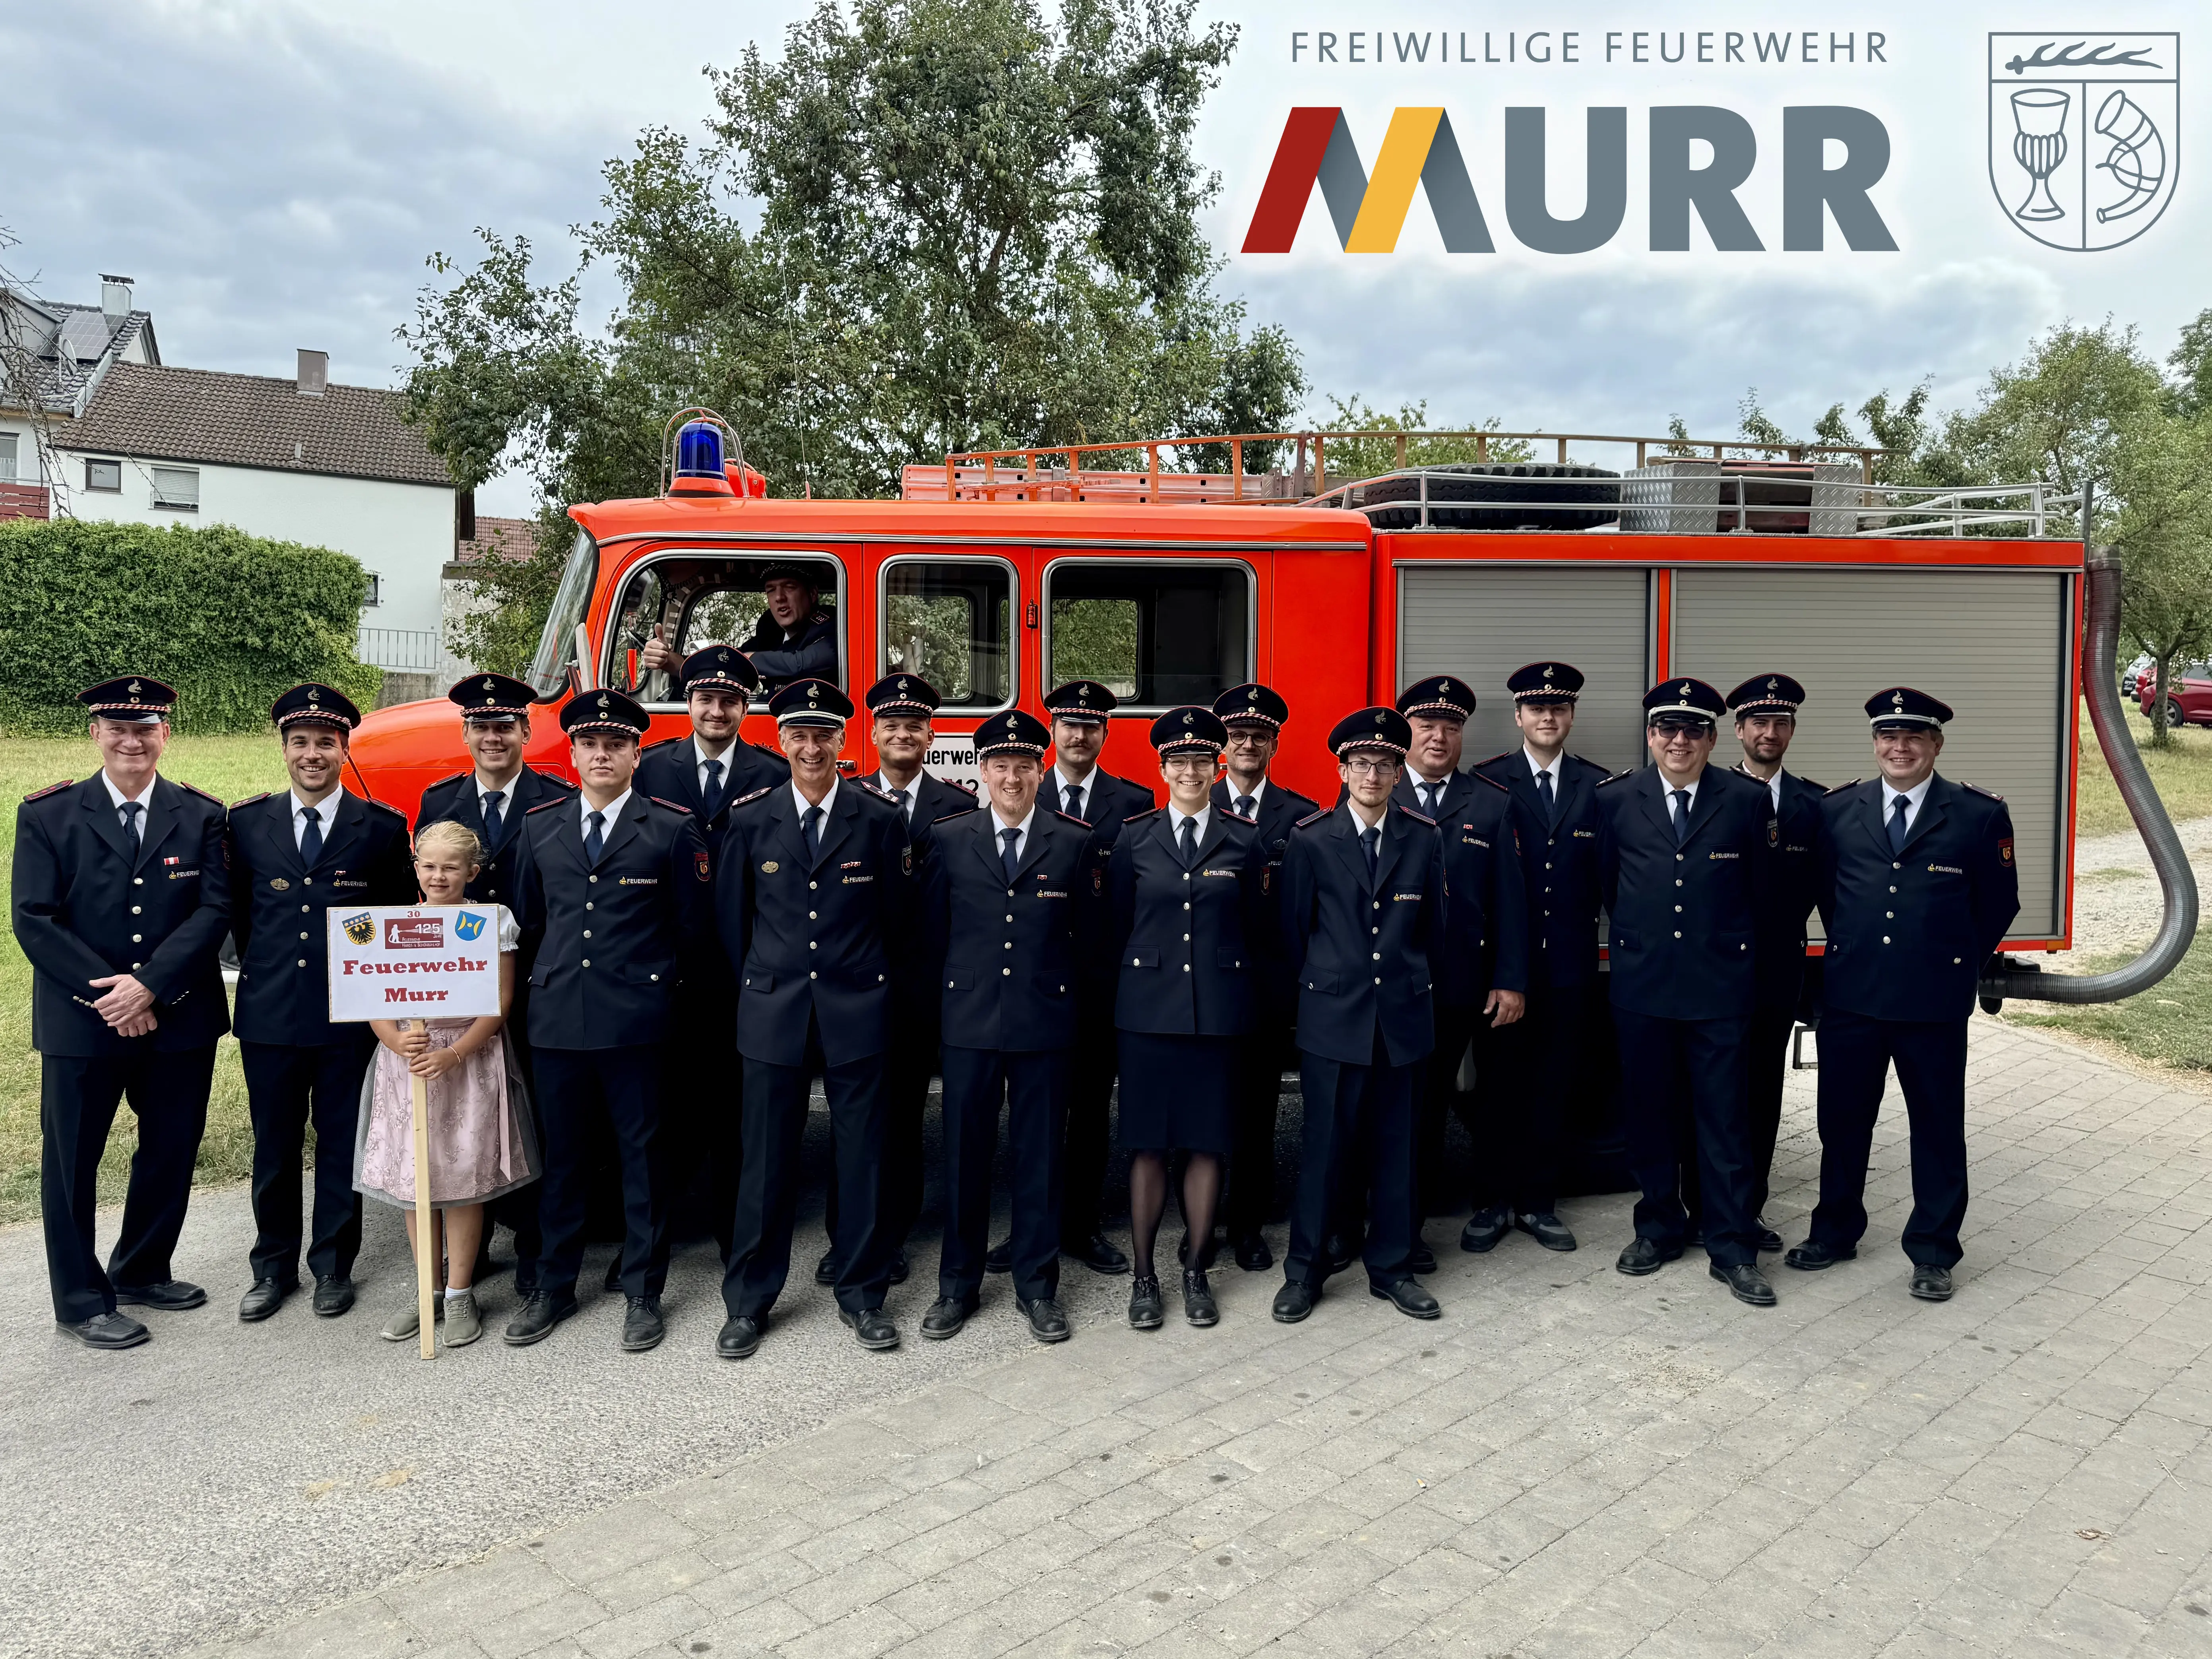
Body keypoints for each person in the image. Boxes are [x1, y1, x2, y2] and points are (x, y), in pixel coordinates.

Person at [14, 677, 231, 1350]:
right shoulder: (48, 814)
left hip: (180, 1013)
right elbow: (34, 918)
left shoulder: (202, 814)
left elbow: (215, 910)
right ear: (96, 734)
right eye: (118, 728)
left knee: (170, 1149)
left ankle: (140, 1267)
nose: (132, 740)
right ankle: (80, 1298)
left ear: (166, 734)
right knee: (72, 1161)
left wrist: (152, 987)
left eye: (146, 728)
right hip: (83, 1021)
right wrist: (112, 994)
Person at [1787, 688, 2018, 1302]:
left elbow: (1997, 904)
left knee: (1938, 1129)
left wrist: (1947, 960)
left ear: (1935, 745)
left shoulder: (1976, 814)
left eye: (1914, 737)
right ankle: (1834, 1231)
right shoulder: (1838, 810)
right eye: (1889, 737)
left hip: (1931, 1004)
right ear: (1875, 743)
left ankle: (1935, 1251)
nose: (1900, 748)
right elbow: (1827, 894)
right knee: (1842, 1124)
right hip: (1852, 998)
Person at [504, 688, 713, 1352]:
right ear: (570, 753)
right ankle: (554, 1284)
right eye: (590, 743)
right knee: (562, 1159)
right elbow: (528, 919)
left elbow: (692, 931)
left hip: (638, 1022)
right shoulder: (540, 825)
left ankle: (643, 1289)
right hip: (559, 1016)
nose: (602, 753)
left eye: (616, 743)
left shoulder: (671, 827)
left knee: (642, 1158)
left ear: (635, 753)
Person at [715, 678, 918, 1359]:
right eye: (799, 735)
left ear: (841, 741)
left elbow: (897, 922)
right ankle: (748, 1301)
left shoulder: (879, 818)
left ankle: (863, 1295)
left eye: (823, 734)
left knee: (862, 1158)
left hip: (858, 1008)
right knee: (764, 1162)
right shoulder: (749, 818)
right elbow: (731, 924)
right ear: (781, 741)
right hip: (774, 1010)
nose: (811, 746)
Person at [229, 684, 414, 1324]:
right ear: (284, 747)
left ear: (344, 748)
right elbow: (242, 920)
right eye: (300, 742)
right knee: (274, 1145)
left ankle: (334, 1264)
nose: (313, 754)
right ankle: (272, 1266)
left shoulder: (383, 828)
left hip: (349, 1017)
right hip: (271, 1014)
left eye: (326, 743)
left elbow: (394, 924)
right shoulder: (247, 823)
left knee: (342, 1142)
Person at [1597, 678, 1778, 1308]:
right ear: (1651, 736)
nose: (1679, 741)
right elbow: (1609, 889)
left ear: (1710, 738)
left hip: (1720, 991)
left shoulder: (1746, 800)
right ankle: (1658, 1228)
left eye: (1694, 730)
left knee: (1724, 1121)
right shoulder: (1618, 798)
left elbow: (1762, 896)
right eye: (1668, 729)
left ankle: (1731, 1245)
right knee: (1649, 1117)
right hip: (1643, 989)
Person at [1272, 707, 1448, 1326]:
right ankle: (1305, 1271)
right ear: (1342, 769)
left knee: (1398, 1149)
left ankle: (1392, 1267)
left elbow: (1434, 930)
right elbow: (1295, 932)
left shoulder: (1423, 836)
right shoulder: (1311, 838)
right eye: (1360, 763)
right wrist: (1328, 987)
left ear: (1400, 773)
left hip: (1401, 1016)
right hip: (1333, 1017)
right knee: (1323, 1149)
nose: (1371, 774)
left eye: (1384, 763)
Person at [919, 709, 1086, 1343]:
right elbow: (933, 935)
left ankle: (1037, 1286)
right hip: (969, 1020)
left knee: (1040, 1158)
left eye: (1023, 765)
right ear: (981, 772)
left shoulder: (1072, 839)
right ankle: (956, 1287)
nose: (1011, 777)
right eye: (1000, 766)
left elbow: (1088, 940)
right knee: (964, 1157)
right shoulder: (949, 838)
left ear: (1040, 771)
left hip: (1045, 1019)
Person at [986, 680, 1155, 1277]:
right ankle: (1029, 1229)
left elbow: (1137, 900)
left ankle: (1080, 1226)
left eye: (1091, 725)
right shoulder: (1021, 790)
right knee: (1032, 1117)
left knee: (1087, 1111)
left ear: (1105, 734)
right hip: (1031, 987)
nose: (1079, 735)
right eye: (1069, 724)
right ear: (1052, 733)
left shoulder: (1134, 802)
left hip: (1098, 984)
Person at [1107, 707, 1266, 1330]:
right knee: (1147, 1147)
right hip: (1146, 1015)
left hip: (1220, 1014)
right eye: (1179, 761)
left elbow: (1260, 927)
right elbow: (1116, 922)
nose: (1191, 770)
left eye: (1202, 760)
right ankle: (1145, 1276)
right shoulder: (1134, 836)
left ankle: (1196, 1270)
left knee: (1208, 1145)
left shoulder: (1245, 838)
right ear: (1162, 768)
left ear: (1217, 766)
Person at [415, 672, 574, 1297]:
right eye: (481, 726)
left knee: (530, 1118)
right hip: (458, 998)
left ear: (526, 732)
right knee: (463, 1122)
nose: (492, 737)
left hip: (531, 985)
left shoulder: (553, 797)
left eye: (504, 725)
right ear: (465, 734)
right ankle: (467, 1257)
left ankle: (534, 1249)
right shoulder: (439, 801)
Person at [816, 673, 978, 1286]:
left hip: (917, 990)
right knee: (850, 1120)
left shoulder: (959, 808)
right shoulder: (848, 799)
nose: (903, 734)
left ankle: (894, 1231)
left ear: (931, 735)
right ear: (873, 733)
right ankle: (843, 1236)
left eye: (914, 725)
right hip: (851, 990)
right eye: (891, 725)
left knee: (906, 1116)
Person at [356, 820, 537, 1349]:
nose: (438, 875)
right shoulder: (390, 924)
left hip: (467, 1059)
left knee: (461, 1177)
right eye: (429, 865)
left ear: (472, 872)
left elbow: (501, 999)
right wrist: (395, 1041)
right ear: (415, 867)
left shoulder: (490, 921)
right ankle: (426, 1289)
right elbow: (371, 994)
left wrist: (456, 1052)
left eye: (451, 867)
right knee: (417, 1183)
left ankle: (460, 1291)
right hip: (408, 1061)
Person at [635, 645, 787, 1261]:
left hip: (741, 964)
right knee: (661, 1110)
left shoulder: (772, 774)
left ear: (744, 706)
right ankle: (656, 1236)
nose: (716, 710)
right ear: (688, 702)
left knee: (735, 1110)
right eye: (705, 699)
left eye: (729, 700)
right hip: (666, 963)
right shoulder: (649, 769)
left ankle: (734, 1234)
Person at [1470, 662, 1612, 1254]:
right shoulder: (1489, 782)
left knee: (1556, 1088)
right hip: (1506, 969)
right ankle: (1491, 1202)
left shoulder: (1599, 786)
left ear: (1571, 716)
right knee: (1497, 1089)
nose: (1548, 718)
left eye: (1558, 709)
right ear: (1520, 717)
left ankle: (1538, 1203)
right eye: (1537, 709)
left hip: (1572, 970)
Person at [1391, 675, 1528, 1265]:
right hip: (1395, 989)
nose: (1439, 736)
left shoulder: (1490, 802)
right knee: (1407, 1111)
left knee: (1470, 1102)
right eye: (1426, 725)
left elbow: (1510, 903)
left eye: (1451, 726)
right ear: (1407, 733)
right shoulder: (1379, 792)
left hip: (1460, 987)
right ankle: (1405, 1226)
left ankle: (1485, 1205)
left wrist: (1511, 977)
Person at [1208, 683, 1317, 1271]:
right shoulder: (1193, 800)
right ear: (1222, 744)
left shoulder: (1300, 816)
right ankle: (1201, 1223)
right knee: (1204, 1110)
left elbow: (1302, 913)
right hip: (1202, 990)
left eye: (1260, 735)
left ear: (1274, 745)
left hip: (1266, 994)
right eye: (1239, 734)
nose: (1248, 743)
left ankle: (1247, 1224)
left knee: (1257, 1113)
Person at [1725, 673, 1825, 1254]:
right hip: (1716, 973)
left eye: (1780, 722)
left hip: (1776, 973)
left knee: (1762, 1094)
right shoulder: (1712, 795)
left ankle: (1748, 1207)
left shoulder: (1816, 803)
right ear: (1738, 730)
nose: (1769, 732)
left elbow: (1829, 888)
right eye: (1758, 722)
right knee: (1710, 1094)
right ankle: (1702, 1204)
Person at [636, 566, 838, 694]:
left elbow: (801, 664)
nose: (779, 598)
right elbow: (722, 667)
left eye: (789, 587)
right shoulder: (771, 630)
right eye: (771, 590)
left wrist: (746, 660)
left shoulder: (831, 625)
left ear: (812, 595)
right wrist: (668, 660)